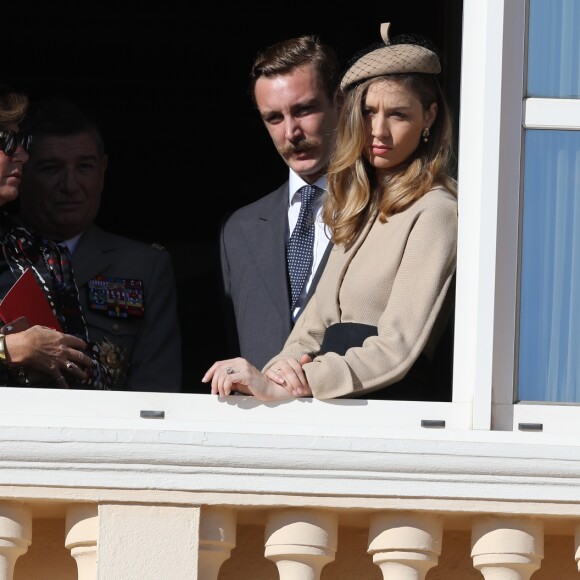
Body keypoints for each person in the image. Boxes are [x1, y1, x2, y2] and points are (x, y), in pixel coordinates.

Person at [203, 22, 458, 402]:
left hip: (385, 413)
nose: (379, 131)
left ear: (430, 117)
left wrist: (301, 379)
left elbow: (398, 347)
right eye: (369, 112)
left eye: (399, 115)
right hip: (323, 409)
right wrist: (269, 374)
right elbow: (311, 328)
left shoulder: (437, 210)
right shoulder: (361, 205)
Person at [15, 97, 182, 392]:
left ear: (103, 171)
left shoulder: (144, 266)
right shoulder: (6, 254)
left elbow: (156, 391)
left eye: (84, 167)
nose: (69, 185)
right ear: (22, 172)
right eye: (51, 168)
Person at [217, 34, 342, 371]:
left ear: (339, 102)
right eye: (274, 118)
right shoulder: (238, 231)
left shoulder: (386, 212)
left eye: (304, 110)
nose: (291, 132)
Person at [0, 85, 109, 389]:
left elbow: (87, 374)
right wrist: (10, 349)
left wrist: (55, 360)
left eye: (23, 142)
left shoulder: (40, 252)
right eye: (7, 142)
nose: (21, 155)